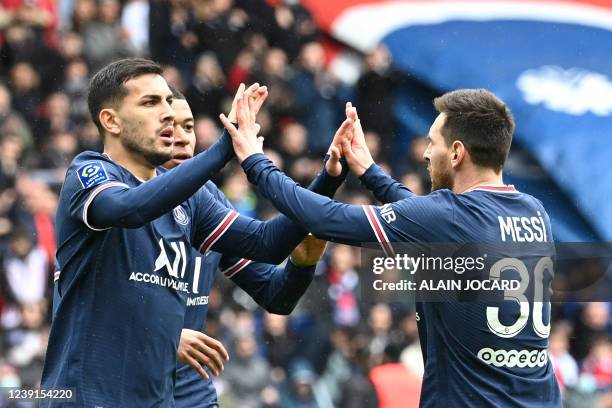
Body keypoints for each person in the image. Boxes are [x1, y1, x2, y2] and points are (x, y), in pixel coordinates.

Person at [221, 89, 561, 407]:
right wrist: (370, 172)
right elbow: (433, 222)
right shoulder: (534, 211)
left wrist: (255, 161)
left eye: (432, 143)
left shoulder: (448, 215)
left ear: (456, 152)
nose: (427, 154)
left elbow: (325, 218)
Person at [40, 58, 332, 407]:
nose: (171, 123)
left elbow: (267, 246)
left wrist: (330, 175)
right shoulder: (89, 175)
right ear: (111, 120)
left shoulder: (199, 201)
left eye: (185, 122)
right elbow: (132, 209)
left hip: (172, 398)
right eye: (151, 103)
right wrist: (225, 147)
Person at [164, 87, 349, 407]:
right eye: (169, 127)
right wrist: (163, 338)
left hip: (191, 393)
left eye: (189, 127)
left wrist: (302, 262)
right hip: (127, 383)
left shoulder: (205, 198)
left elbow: (274, 291)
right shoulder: (117, 193)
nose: (182, 138)